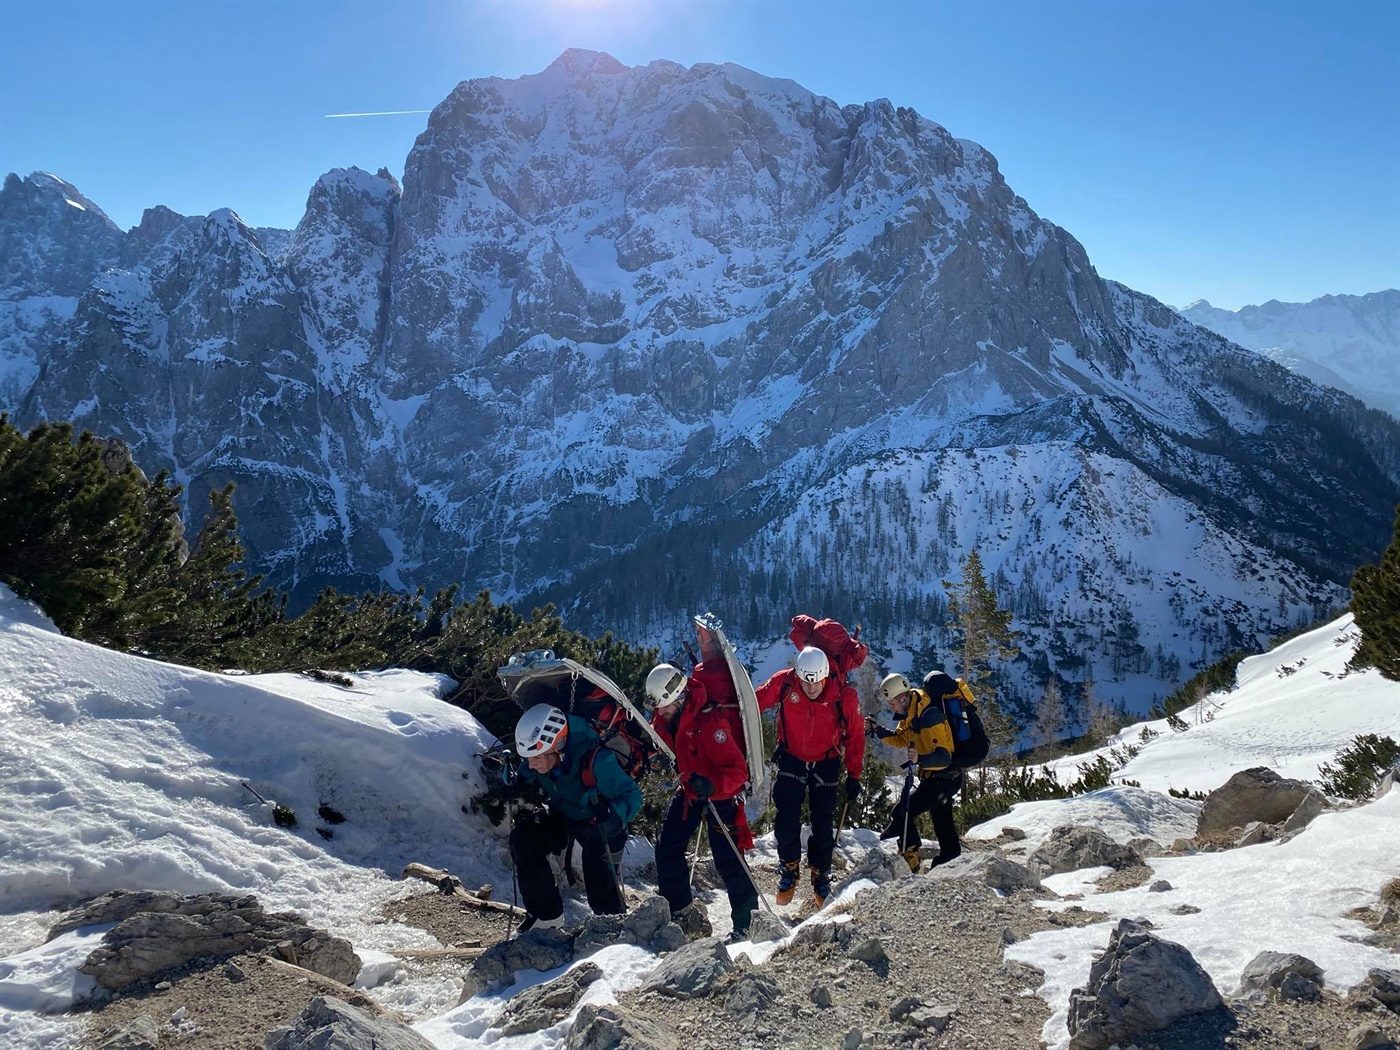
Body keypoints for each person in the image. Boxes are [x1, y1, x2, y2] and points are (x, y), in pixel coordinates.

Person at [646, 661, 758, 940]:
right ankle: (680, 911)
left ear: (680, 698)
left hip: (719, 794)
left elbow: (738, 772)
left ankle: (748, 922)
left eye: (665, 706)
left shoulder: (712, 721)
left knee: (729, 859)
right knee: (667, 847)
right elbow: (658, 735)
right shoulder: (668, 715)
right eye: (658, 707)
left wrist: (713, 785)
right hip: (690, 790)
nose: (660, 712)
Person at [507, 703, 642, 929]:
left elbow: (632, 796)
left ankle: (612, 929)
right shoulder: (544, 753)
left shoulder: (598, 760)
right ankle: (546, 917)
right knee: (524, 841)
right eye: (528, 757)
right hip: (564, 811)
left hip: (599, 823)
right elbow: (530, 765)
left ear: (558, 746)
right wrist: (519, 779)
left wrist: (613, 817)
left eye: (536, 757)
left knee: (599, 880)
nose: (531, 763)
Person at [755, 645, 864, 908]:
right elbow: (754, 701)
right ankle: (789, 868)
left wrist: (854, 774)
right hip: (792, 756)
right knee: (786, 817)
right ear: (798, 674)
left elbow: (856, 734)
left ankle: (820, 873)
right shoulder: (785, 682)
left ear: (826, 674)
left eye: (817, 682)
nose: (811, 688)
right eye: (806, 681)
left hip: (826, 760)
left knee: (823, 823)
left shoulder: (843, 696)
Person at [865, 670, 960, 872]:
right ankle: (950, 859)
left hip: (944, 778)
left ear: (902, 698)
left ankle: (911, 856)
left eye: (892, 703)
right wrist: (878, 730)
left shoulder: (929, 716)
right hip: (937, 778)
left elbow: (944, 758)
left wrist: (920, 759)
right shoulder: (911, 712)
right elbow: (901, 738)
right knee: (942, 821)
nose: (891, 707)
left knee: (903, 811)